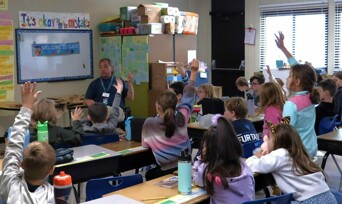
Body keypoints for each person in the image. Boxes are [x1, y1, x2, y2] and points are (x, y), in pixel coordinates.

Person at [246, 118, 337, 204]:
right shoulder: (299, 153)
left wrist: (256, 156)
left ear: (276, 141)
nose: (267, 141)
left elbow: (250, 166)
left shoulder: (280, 154)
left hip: (309, 200)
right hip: (328, 197)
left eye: (270, 139)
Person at [142, 59, 199, 181]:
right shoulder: (182, 117)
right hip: (186, 166)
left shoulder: (149, 123)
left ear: (158, 106)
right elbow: (189, 95)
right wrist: (193, 73)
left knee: (149, 175)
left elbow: (145, 145)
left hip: (164, 170)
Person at [0, 82, 56, 203]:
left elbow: (13, 146)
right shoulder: (55, 196)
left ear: (21, 164)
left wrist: (26, 106)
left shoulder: (10, 185)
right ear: (51, 170)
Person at [192, 116, 255, 203]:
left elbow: (197, 180)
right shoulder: (244, 166)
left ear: (210, 149)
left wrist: (200, 159)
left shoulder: (208, 168)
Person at [275, 32, 318, 158]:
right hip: (311, 148)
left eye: (289, 76)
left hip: (297, 153)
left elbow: (284, 132)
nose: (287, 79)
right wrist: (283, 48)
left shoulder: (291, 104)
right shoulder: (310, 96)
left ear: (297, 81)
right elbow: (299, 68)